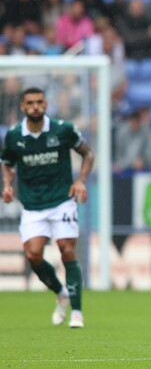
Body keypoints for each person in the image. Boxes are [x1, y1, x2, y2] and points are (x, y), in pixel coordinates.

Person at [1, 87, 96, 328]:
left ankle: (77, 312)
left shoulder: (63, 129)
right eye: (30, 103)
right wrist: (8, 185)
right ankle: (61, 293)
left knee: (66, 249)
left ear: (46, 104)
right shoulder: (13, 136)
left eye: (40, 102)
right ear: (23, 107)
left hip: (62, 200)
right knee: (33, 254)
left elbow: (88, 154)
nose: (35, 107)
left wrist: (80, 180)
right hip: (32, 205)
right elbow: (7, 163)